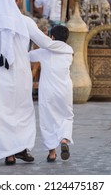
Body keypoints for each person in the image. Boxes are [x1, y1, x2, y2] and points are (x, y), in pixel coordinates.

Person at [0, 0, 63, 165]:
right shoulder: (25, 22)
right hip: (19, 72)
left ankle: (11, 153)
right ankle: (18, 149)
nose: (20, 1)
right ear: (16, 0)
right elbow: (45, 42)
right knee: (22, 111)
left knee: (4, 112)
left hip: (0, 74)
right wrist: (63, 48)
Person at [29, 25, 74, 162]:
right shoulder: (69, 52)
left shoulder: (44, 52)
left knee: (48, 119)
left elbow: (28, 57)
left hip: (48, 90)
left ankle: (52, 153)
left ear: (52, 37)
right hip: (65, 90)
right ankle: (64, 139)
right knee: (66, 116)